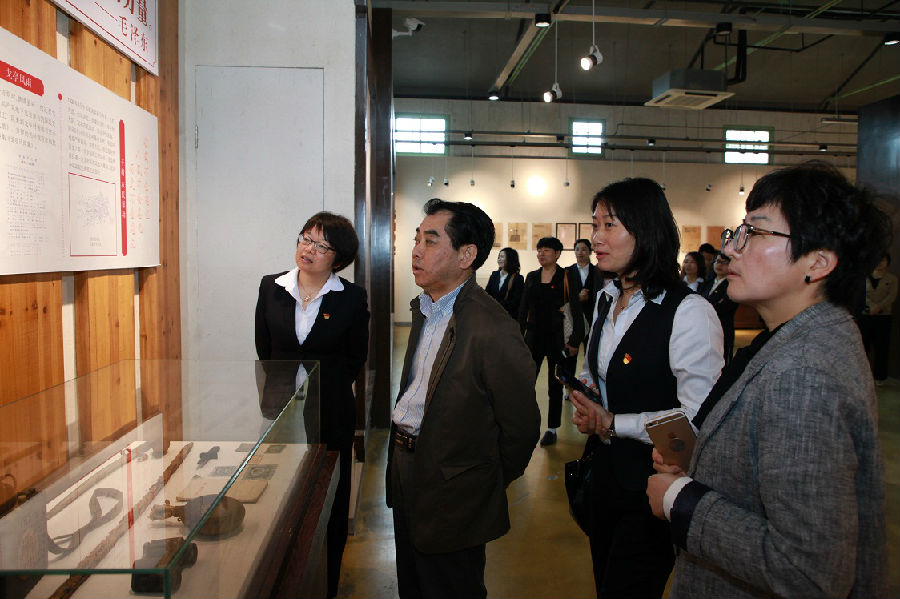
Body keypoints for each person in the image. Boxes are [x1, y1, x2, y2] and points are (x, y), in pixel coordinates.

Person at [647, 161, 889, 598]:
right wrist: (699, 465)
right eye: (738, 232)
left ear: (817, 262)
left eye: (755, 233)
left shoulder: (804, 372)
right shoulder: (800, 337)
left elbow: (809, 572)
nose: (731, 250)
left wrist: (680, 500)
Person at [568, 178, 723, 598]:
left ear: (646, 231)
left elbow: (698, 420)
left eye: (609, 225)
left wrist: (613, 422)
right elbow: (596, 370)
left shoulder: (688, 312)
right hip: (604, 477)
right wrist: (586, 396)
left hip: (654, 485)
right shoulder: (606, 298)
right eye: (594, 225)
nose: (596, 238)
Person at [387, 198, 540, 599]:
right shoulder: (426, 309)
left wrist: (478, 481)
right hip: (406, 470)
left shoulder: (492, 328)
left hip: (453, 489)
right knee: (413, 584)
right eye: (416, 239)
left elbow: (521, 429)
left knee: (450, 587)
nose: (416, 251)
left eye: (431, 241)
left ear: (466, 255)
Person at [254, 212, 369, 599]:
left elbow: (355, 357)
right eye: (306, 239)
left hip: (331, 411)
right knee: (278, 493)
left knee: (330, 497)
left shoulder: (351, 297)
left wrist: (327, 388)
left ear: (338, 258)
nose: (309, 249)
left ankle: (327, 583)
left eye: (322, 245)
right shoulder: (271, 287)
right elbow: (265, 349)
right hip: (280, 411)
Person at [519, 237, 568, 447]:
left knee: (554, 385)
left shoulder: (566, 276)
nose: (541, 254)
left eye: (546, 250)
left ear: (557, 254)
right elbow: (523, 308)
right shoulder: (531, 276)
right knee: (526, 381)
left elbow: (574, 307)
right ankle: (524, 424)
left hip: (557, 339)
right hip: (533, 337)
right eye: (539, 250)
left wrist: (574, 340)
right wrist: (518, 335)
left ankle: (552, 428)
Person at [861, 252, 897, 384]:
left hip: (883, 317)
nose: (879, 263)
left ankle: (880, 377)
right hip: (866, 316)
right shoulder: (864, 277)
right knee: (863, 347)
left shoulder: (892, 279)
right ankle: (862, 376)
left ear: (887, 262)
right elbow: (861, 294)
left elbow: (892, 296)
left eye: (883, 260)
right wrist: (871, 306)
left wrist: (879, 307)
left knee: (882, 348)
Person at [699, 253, 739, 365]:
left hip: (722, 329)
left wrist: (704, 308)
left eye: (724, 263)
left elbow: (723, 307)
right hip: (704, 328)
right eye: (717, 261)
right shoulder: (707, 283)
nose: (719, 265)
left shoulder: (732, 284)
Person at [484, 246, 525, 319]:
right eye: (499, 257)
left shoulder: (518, 279)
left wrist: (495, 304)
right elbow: (487, 293)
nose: (499, 259)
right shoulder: (494, 275)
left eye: (502, 257)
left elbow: (516, 302)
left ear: (510, 259)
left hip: (508, 318)